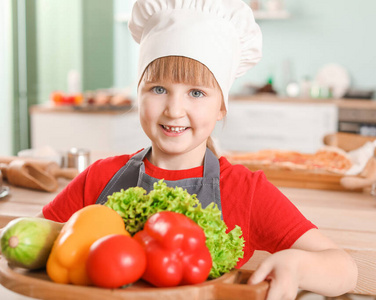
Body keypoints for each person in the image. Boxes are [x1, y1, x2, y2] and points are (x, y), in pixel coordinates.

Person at [39, 0, 358, 299]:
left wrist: (297, 267)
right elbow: (35, 240)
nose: (174, 110)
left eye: (196, 93)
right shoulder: (100, 178)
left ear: (222, 107)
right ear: (138, 93)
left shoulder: (245, 192)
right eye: (158, 89)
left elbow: (344, 269)